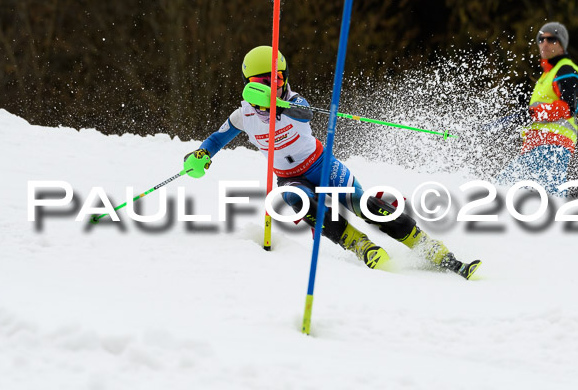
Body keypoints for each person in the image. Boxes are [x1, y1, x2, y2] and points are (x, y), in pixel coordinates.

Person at [183, 45, 480, 279]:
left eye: (279, 78)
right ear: (252, 85)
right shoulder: (243, 116)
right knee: (298, 201)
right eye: (267, 81)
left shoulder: (294, 100)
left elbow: (305, 113)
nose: (277, 84)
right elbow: (217, 138)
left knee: (365, 206)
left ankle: (432, 250)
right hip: (289, 177)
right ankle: (360, 246)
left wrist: (278, 104)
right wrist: (201, 155)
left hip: (321, 165)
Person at [497, 22, 578, 195]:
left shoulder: (565, 70)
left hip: (551, 144)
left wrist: (532, 114)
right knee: (545, 196)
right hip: (539, 145)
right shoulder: (546, 75)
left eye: (551, 39)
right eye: (541, 39)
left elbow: (568, 107)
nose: (544, 43)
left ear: (561, 44)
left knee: (501, 189)